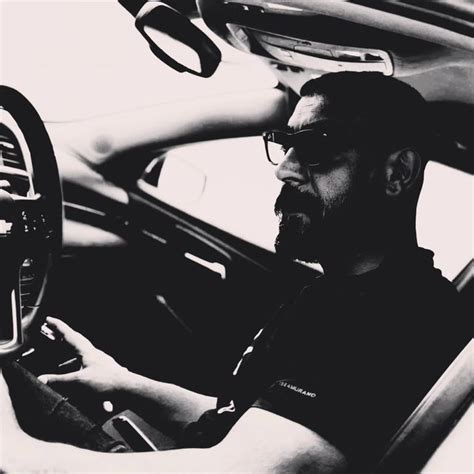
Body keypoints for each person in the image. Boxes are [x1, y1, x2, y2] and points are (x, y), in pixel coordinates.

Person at [0, 72, 469, 473]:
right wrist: (125, 382)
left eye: (316, 148)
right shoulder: (339, 292)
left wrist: (17, 456)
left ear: (397, 172)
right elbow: (247, 424)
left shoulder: (399, 318)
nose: (285, 170)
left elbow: (247, 467)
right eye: (286, 145)